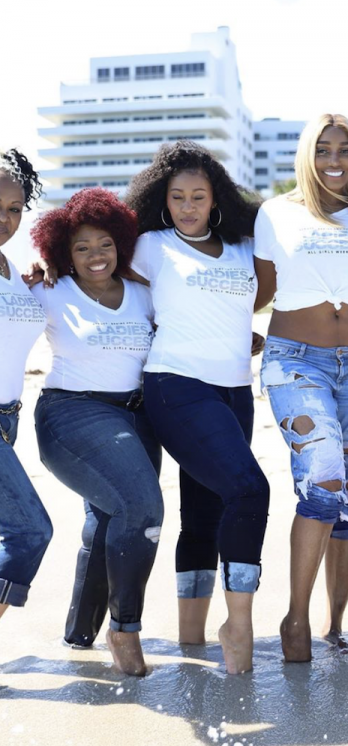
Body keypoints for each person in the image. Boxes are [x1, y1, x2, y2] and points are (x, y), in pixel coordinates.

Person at [124, 140, 269, 674]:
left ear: (216, 200)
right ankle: (238, 625)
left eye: (198, 197)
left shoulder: (242, 247)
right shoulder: (150, 245)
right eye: (178, 197)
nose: (188, 207)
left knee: (207, 510)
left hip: (235, 389)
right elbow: (93, 266)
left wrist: (240, 335)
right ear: (162, 200)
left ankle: (191, 642)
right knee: (250, 490)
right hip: (176, 385)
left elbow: (250, 299)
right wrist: (42, 273)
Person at [254, 113, 348, 662]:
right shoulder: (275, 213)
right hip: (296, 362)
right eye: (323, 149)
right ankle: (296, 618)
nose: (335, 160)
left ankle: (336, 624)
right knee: (324, 480)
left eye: (345, 150)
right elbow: (256, 290)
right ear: (306, 156)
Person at [30, 188, 162, 677]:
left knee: (110, 518)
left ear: (120, 243)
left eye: (105, 244)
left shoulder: (143, 293)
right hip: (72, 413)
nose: (95, 256)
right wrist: (31, 270)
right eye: (81, 247)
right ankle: (125, 628)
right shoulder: (48, 291)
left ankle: (79, 635)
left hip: (137, 417)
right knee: (141, 507)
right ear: (63, 251)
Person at [0, 149, 50, 621]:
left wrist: (33, 282)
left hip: (8, 419)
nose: (5, 219)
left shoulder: (12, 269)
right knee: (29, 532)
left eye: (14, 208)